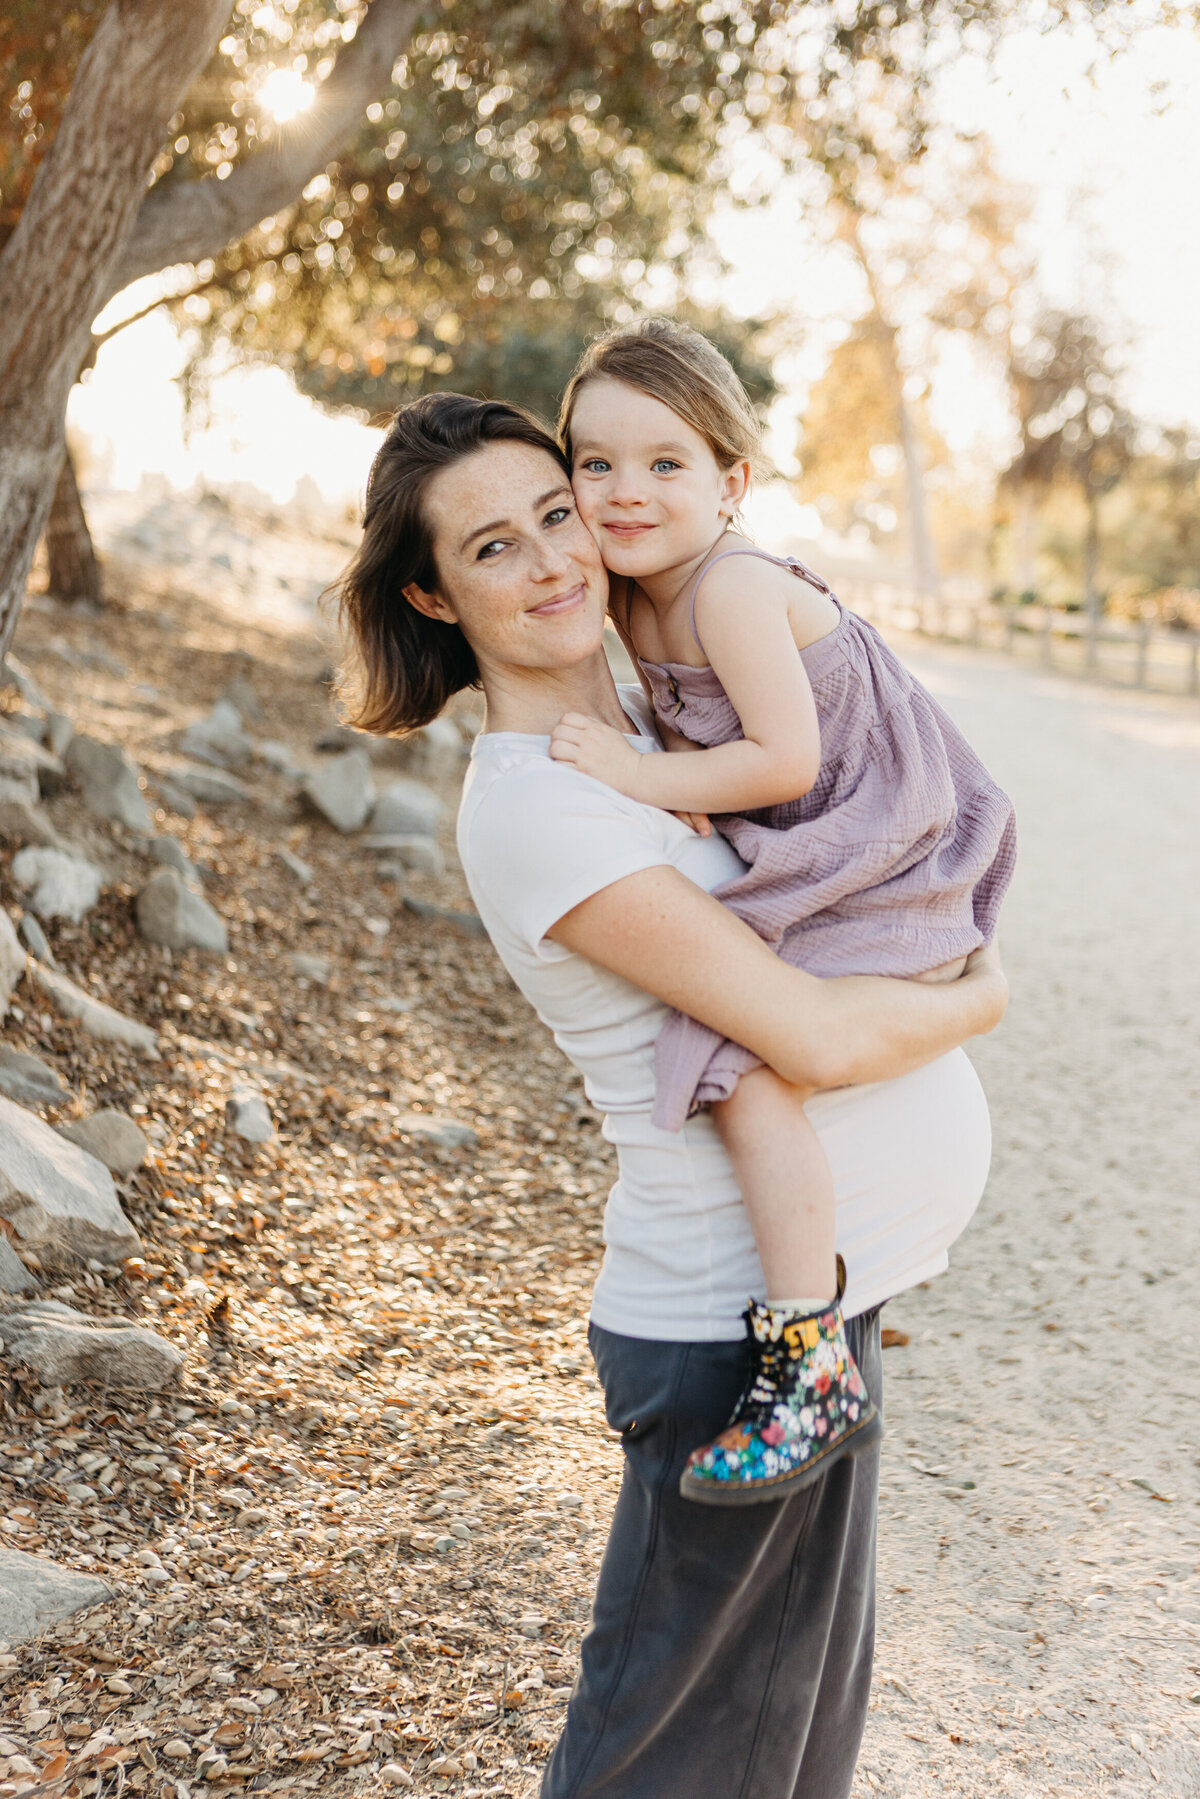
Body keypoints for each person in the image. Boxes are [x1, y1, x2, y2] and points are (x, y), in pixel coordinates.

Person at [335, 391, 1007, 1799]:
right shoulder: (536, 804)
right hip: (725, 1339)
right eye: (495, 548)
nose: (553, 562)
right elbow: (808, 1037)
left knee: (790, 1734)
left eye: (558, 515)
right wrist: (979, 1000)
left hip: (824, 1311)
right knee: (660, 1751)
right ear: (434, 593)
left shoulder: (655, 717)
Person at [546, 318, 1017, 1505]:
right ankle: (812, 1337)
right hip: (823, 844)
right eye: (594, 463)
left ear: (732, 482)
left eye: (665, 463)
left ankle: (808, 1364)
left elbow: (780, 759)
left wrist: (644, 774)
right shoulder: (627, 597)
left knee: (746, 1060)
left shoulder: (734, 589)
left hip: (882, 847)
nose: (625, 490)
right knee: (732, 1043)